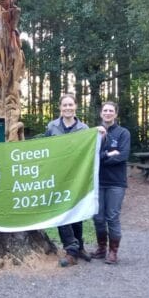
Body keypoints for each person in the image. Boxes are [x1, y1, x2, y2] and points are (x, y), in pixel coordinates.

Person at [45, 93, 91, 267]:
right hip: (58, 175)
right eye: (64, 105)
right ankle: (70, 250)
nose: (68, 108)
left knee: (77, 209)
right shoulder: (52, 127)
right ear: (60, 108)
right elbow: (45, 149)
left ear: (76, 106)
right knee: (62, 210)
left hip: (78, 175)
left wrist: (100, 133)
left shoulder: (84, 129)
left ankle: (79, 246)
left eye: (70, 104)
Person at [92, 101, 130, 264]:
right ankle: (101, 248)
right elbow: (90, 157)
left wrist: (102, 157)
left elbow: (122, 156)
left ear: (115, 114)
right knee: (98, 217)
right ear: (101, 114)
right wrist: (108, 155)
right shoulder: (93, 133)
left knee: (112, 217)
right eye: (105, 110)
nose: (107, 113)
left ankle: (113, 252)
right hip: (97, 182)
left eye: (111, 110)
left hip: (116, 183)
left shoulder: (123, 133)